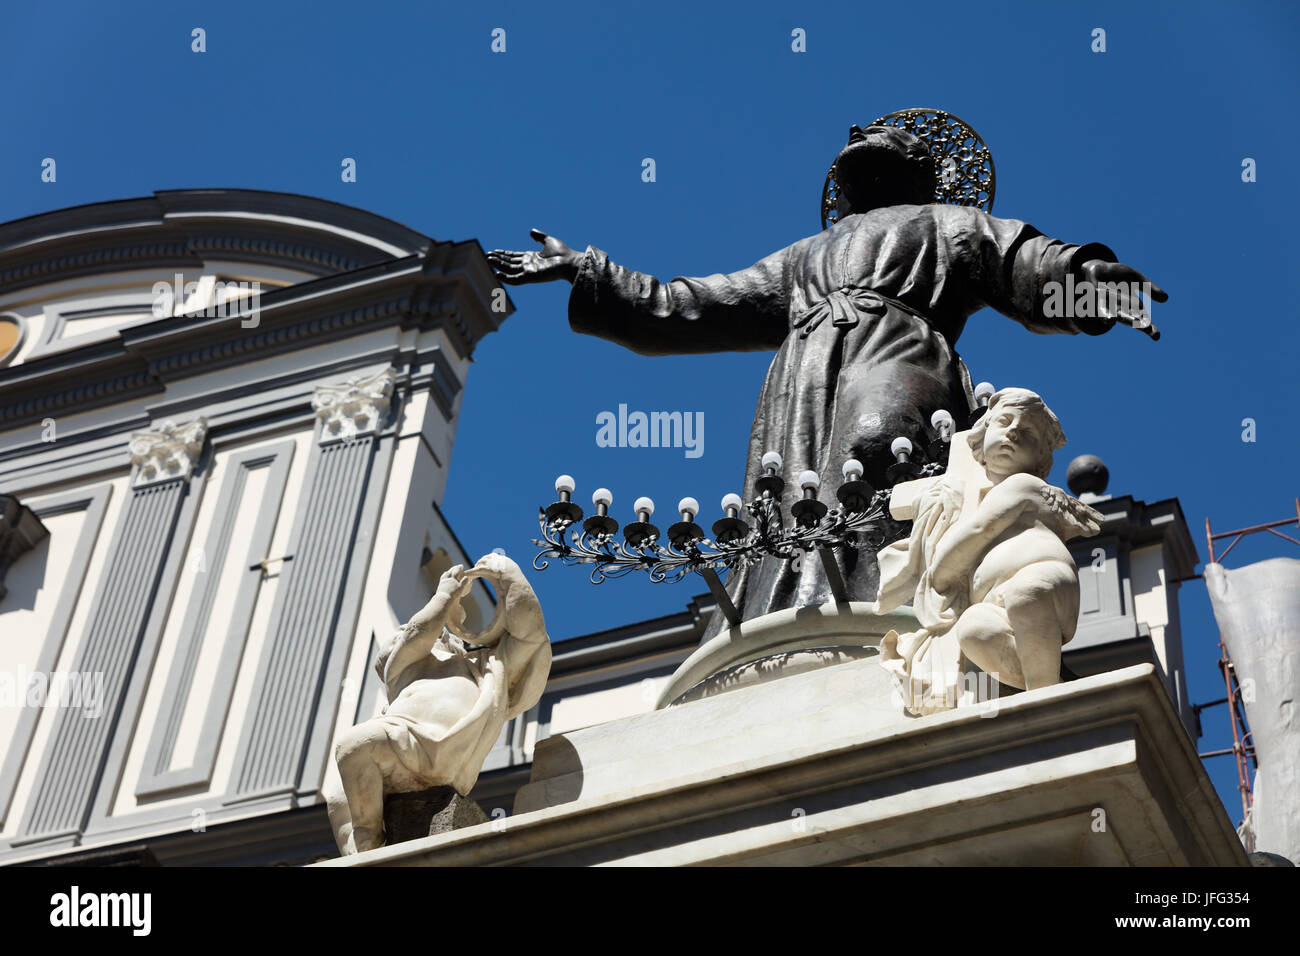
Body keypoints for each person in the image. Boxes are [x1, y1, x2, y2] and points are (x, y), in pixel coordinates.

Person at [488, 123, 1164, 636]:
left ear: (920, 169)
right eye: (855, 136)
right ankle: (789, 612)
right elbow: (689, 305)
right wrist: (590, 272)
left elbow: (1027, 264)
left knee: (876, 457)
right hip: (803, 379)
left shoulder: (951, 225)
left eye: (880, 136)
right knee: (786, 496)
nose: (858, 137)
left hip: (898, 354)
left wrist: (1088, 287)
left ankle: (885, 607)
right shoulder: (804, 260)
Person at [876, 387, 1102, 714]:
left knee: (1027, 593)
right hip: (996, 604)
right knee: (974, 628)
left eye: (1025, 432)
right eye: (1004, 422)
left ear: (1040, 457)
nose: (1012, 431)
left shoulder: (1021, 485)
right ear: (983, 436)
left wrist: (940, 572)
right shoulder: (979, 485)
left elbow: (978, 531)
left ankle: (1046, 695)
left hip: (1043, 579)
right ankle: (1044, 687)